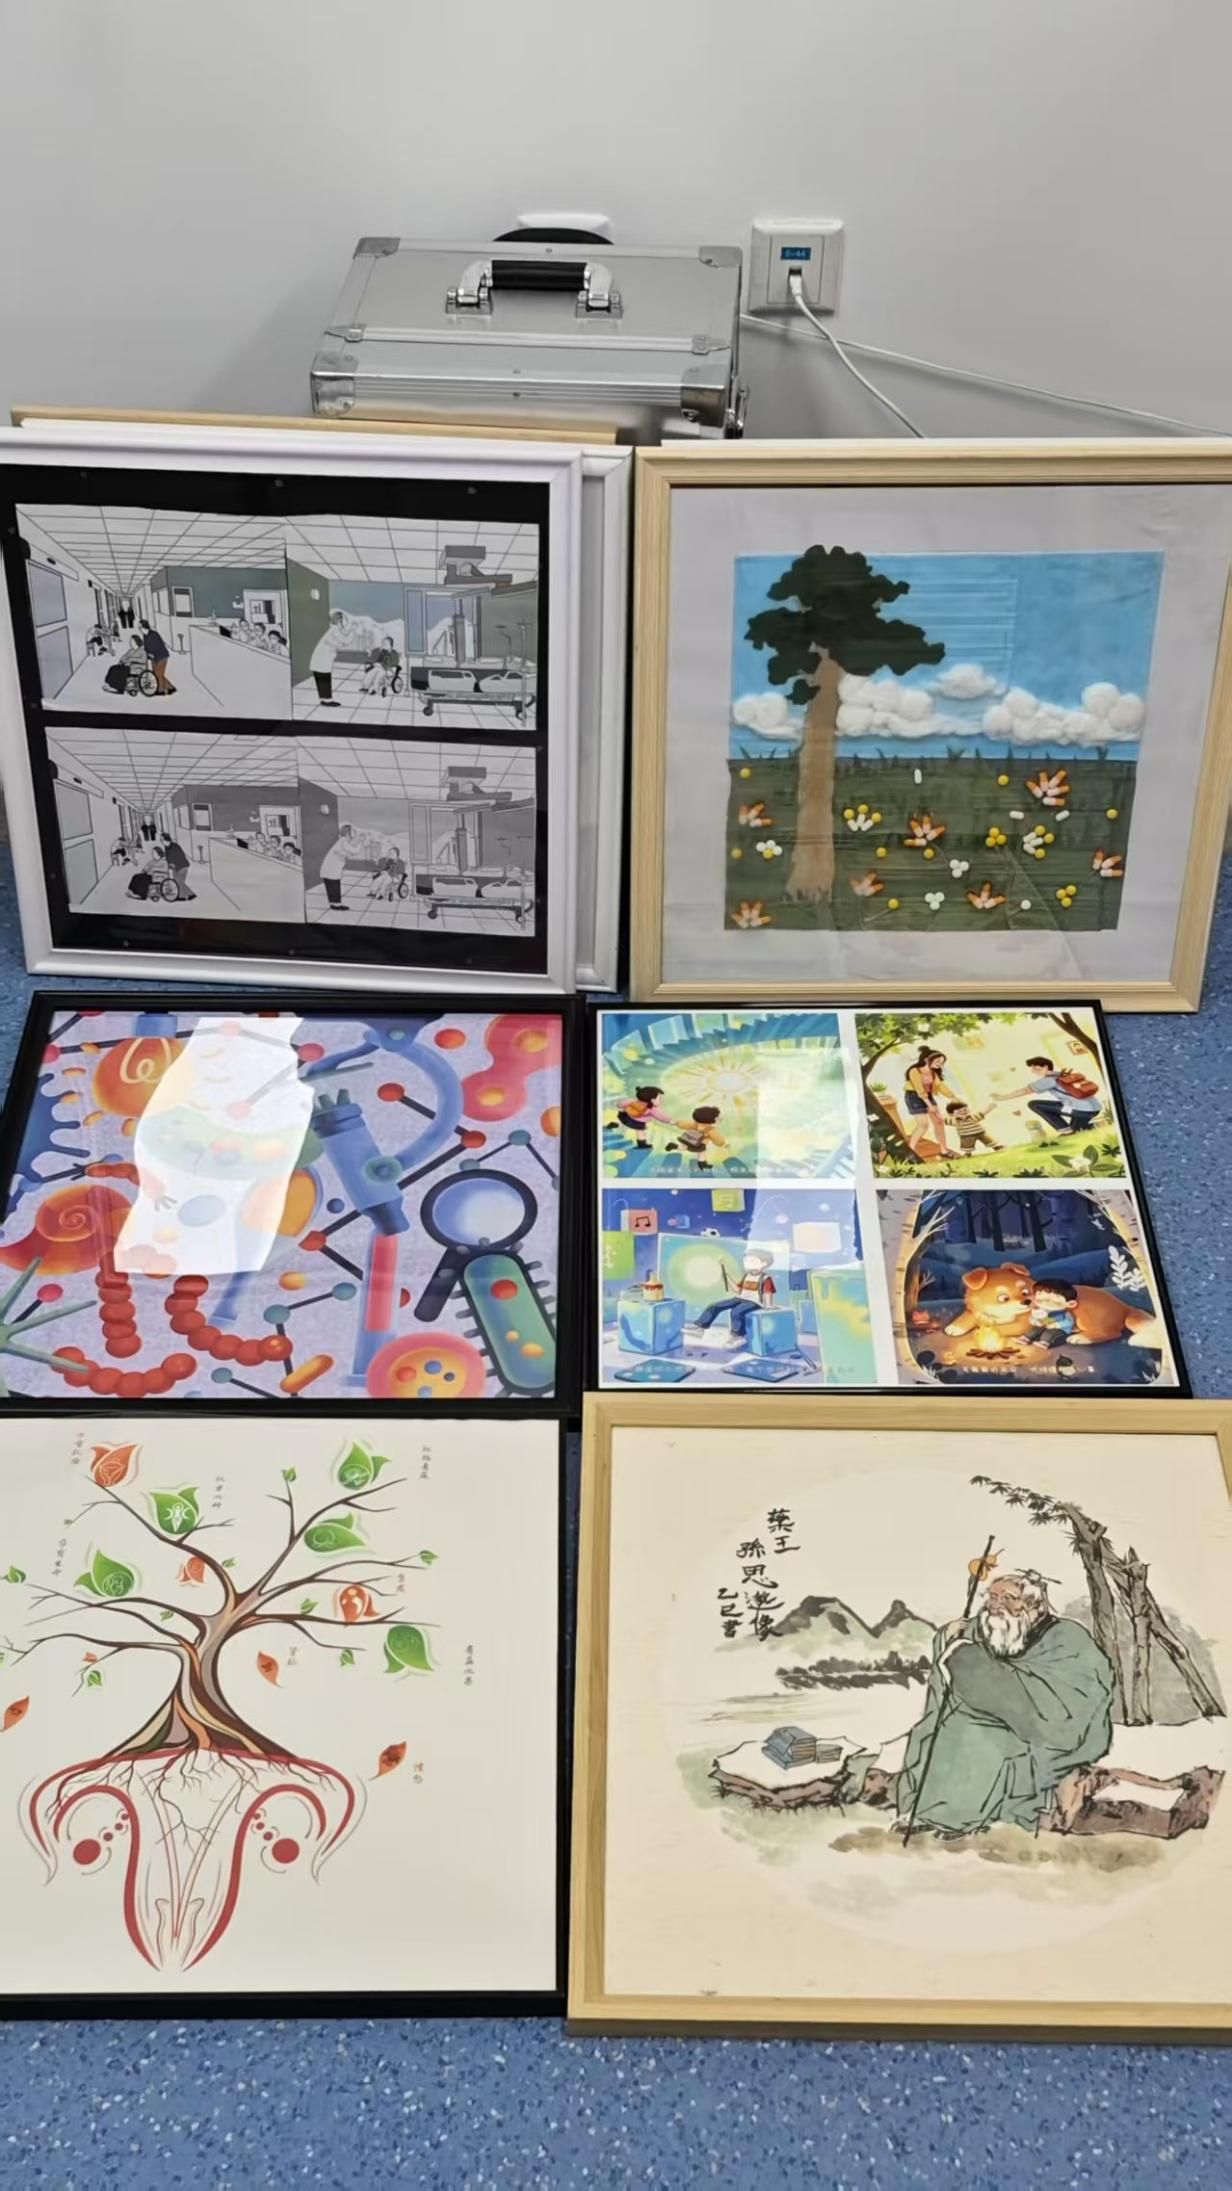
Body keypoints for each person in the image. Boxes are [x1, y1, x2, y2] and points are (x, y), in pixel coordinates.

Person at [894, 1571, 1114, 1839]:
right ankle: (924, 1811)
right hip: (988, 1715)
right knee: (937, 1730)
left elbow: (1068, 1703)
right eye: (991, 1597)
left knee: (980, 1739)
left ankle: (957, 1818)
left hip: (1051, 1731)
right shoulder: (986, 1627)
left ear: (1034, 1605)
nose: (995, 1605)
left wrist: (967, 1658)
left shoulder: (1068, 1638)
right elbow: (957, 1669)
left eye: (1008, 1598)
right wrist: (948, 1638)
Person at [687, 1248, 777, 1347]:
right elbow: (737, 1290)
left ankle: (738, 1336)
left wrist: (768, 1305)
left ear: (764, 1264)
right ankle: (700, 1328)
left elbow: (768, 1292)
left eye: (752, 1261)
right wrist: (727, 1276)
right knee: (715, 1306)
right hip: (741, 1298)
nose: (748, 1263)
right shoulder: (747, 1276)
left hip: (754, 1302)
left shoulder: (765, 1278)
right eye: (746, 1261)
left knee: (736, 1311)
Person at [1000, 1054, 1103, 1137]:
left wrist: (1003, 1097)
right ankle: (1097, 1125)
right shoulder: (1063, 1074)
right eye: (1032, 1068)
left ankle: (1064, 1130)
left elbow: (1024, 1091)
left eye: (1036, 1067)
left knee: (1034, 1104)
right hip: (1094, 1109)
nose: (1033, 1070)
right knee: (1076, 1131)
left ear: (1045, 1067)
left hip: (1080, 1111)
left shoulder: (1049, 1079)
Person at [903, 1048, 959, 1158]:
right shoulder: (915, 1071)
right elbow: (919, 1090)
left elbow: (941, 1086)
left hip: (927, 1096)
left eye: (942, 1062)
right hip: (914, 1097)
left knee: (939, 1122)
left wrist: (954, 1098)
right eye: (937, 1061)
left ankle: (944, 1150)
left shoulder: (933, 1073)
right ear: (926, 1059)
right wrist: (930, 1106)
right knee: (923, 1125)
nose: (940, 1064)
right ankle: (910, 1151)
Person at [610, 1085, 672, 1151]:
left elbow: (623, 1103)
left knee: (622, 1122)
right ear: (652, 1100)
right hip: (639, 1122)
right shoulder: (652, 1108)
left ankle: (614, 1124)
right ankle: (642, 1144)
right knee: (640, 1132)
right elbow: (661, 1116)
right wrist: (669, 1120)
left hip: (626, 1116)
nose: (661, 1100)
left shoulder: (635, 1101)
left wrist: (619, 1105)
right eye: (660, 1099)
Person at [669, 1104, 727, 1173]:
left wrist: (676, 1123)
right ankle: (702, 1165)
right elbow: (717, 1138)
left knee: (683, 1147)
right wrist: (722, 1144)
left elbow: (684, 1124)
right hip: (699, 1143)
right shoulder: (711, 1129)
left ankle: (674, 1146)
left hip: (688, 1138)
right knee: (702, 1152)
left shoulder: (694, 1124)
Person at [309, 611, 347, 707]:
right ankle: (328, 700)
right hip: (322, 660)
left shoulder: (332, 629)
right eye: (342, 620)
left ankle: (323, 699)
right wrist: (338, 646)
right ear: (339, 620)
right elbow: (336, 642)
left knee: (321, 678)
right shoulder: (335, 629)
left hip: (319, 659)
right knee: (325, 678)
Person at [1029, 1279, 1078, 1346]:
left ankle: (1044, 1342)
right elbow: (1034, 1317)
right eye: (1041, 1300)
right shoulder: (1041, 1310)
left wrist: (1056, 1325)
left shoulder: (1064, 1313)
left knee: (1049, 1333)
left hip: (1060, 1329)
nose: (1046, 1303)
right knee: (1035, 1329)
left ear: (1070, 1304)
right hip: (1045, 1325)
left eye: (1054, 1302)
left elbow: (1068, 1322)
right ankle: (1027, 1337)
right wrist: (1035, 1321)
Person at [317, 824, 355, 910]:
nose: (354, 834)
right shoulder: (343, 841)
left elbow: (344, 853)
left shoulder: (341, 841)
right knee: (334, 886)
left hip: (329, 869)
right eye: (352, 832)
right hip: (332, 870)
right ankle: (336, 905)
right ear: (348, 833)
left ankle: (333, 904)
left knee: (331, 886)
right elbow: (354, 851)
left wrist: (346, 855)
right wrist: (361, 843)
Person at [140, 619, 176, 696]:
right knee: (157, 673)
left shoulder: (154, 634)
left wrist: (151, 653)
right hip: (153, 658)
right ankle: (170, 687)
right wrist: (147, 653)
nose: (139, 629)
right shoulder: (145, 636)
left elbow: (159, 644)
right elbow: (146, 647)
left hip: (161, 656)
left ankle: (160, 691)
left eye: (140, 627)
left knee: (158, 674)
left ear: (144, 627)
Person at [159, 833, 195, 902]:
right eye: (160, 840)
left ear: (166, 839)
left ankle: (182, 897)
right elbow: (168, 857)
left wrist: (172, 863)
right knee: (179, 882)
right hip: (175, 868)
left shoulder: (174, 846)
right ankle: (191, 894)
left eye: (162, 839)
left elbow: (180, 856)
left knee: (178, 882)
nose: (161, 841)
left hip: (182, 866)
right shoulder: (167, 847)